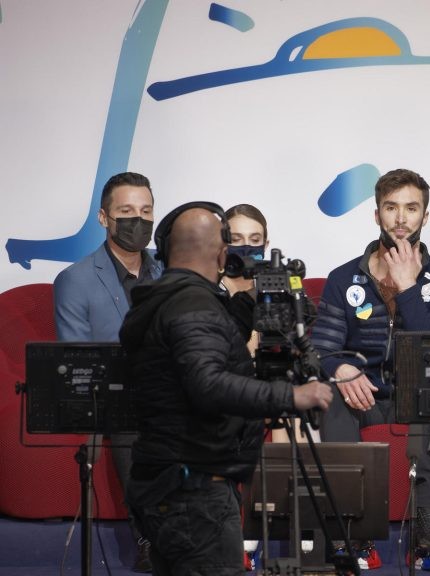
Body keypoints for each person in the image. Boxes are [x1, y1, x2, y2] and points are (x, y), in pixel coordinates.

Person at [119, 201, 333, 576]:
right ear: (221, 254)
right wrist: (292, 396)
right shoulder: (193, 305)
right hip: (194, 492)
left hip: (167, 483)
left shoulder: (159, 299)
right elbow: (208, 384)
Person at [310, 168, 430, 568]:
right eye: (391, 208)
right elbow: (319, 349)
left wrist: (409, 289)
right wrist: (341, 368)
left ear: (425, 217)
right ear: (377, 215)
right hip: (366, 396)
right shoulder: (345, 278)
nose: (400, 219)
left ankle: (427, 539)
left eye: (411, 208)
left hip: (417, 398)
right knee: (333, 403)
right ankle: (348, 537)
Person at [53, 171, 161, 573]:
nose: (139, 221)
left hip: (173, 389)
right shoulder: (75, 280)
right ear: (104, 217)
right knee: (134, 423)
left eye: (146, 211)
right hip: (116, 396)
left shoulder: (169, 274)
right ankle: (149, 537)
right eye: (127, 211)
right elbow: (77, 360)